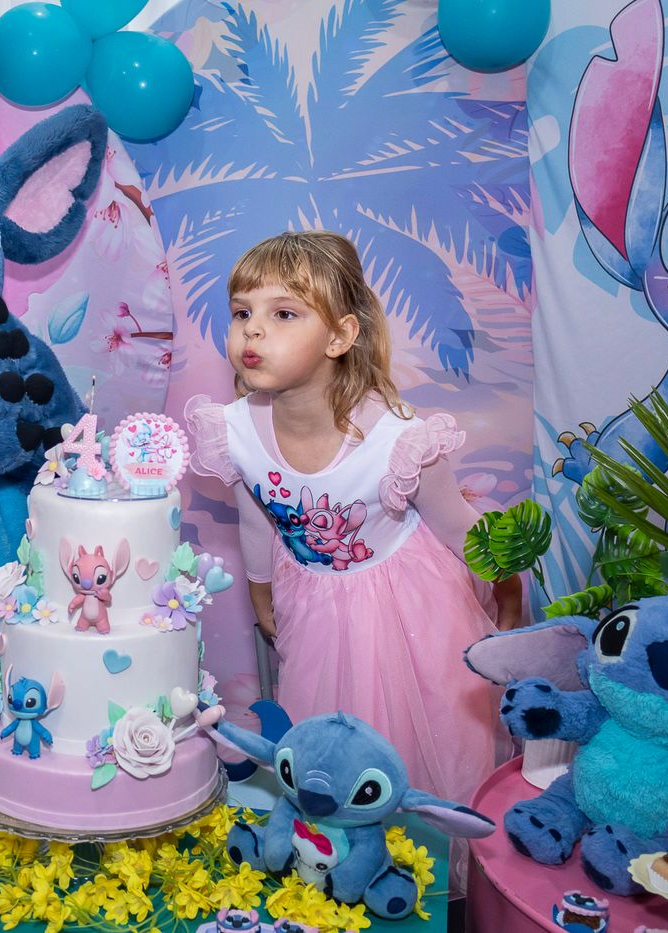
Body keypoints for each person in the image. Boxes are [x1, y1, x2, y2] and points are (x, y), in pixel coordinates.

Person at [185, 230, 520, 821]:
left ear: (340, 336)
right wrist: (261, 592)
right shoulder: (233, 430)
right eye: (242, 313)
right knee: (326, 742)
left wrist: (508, 593)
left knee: (419, 737)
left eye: (283, 313)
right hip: (313, 603)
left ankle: (425, 857)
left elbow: (461, 531)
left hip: (409, 608)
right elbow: (260, 516)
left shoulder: (398, 440)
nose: (252, 330)